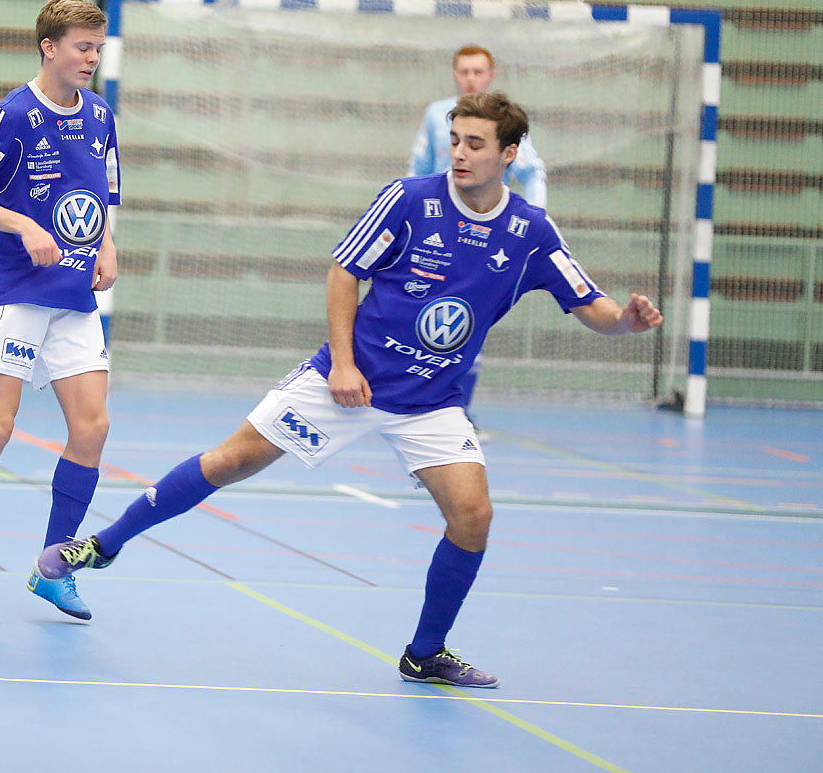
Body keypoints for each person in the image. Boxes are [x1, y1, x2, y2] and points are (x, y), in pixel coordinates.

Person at [35, 92, 661, 687]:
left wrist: (625, 321)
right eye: (455, 141)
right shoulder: (409, 201)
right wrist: (341, 363)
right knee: (229, 461)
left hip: (431, 403)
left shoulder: (530, 232)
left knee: (473, 518)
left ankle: (424, 654)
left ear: (509, 155)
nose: (461, 153)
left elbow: (590, 304)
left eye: (475, 143)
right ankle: (102, 544)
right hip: (348, 384)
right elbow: (344, 271)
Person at [0, 0, 120, 624]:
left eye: (97, 48)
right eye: (81, 47)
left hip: (75, 296)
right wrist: (22, 225)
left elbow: (100, 192)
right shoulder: (10, 115)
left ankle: (55, 569)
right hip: (14, 292)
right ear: (49, 47)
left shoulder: (100, 115)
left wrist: (109, 244)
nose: (92, 58)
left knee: (92, 428)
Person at [408, 44, 548, 420]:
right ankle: (408, 404)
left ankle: (456, 412)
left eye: (478, 71)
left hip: (482, 239)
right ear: (455, 75)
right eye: (465, 71)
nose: (471, 78)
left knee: (469, 323)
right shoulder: (437, 115)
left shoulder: (502, 127)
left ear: (491, 76)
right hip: (435, 234)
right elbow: (417, 169)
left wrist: (535, 222)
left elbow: (531, 171)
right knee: (413, 317)